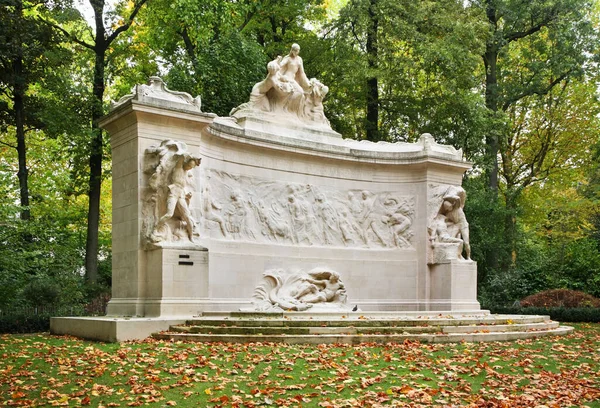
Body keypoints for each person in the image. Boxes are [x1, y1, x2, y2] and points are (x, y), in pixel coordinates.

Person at [153, 153, 201, 242]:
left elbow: (182, 187)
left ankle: (191, 237)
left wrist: (187, 195)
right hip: (173, 192)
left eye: (192, 167)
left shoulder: (186, 173)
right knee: (169, 214)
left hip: (181, 195)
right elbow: (182, 156)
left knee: (187, 216)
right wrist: (192, 156)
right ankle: (156, 228)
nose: (190, 168)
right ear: (186, 163)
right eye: (189, 165)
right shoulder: (178, 167)